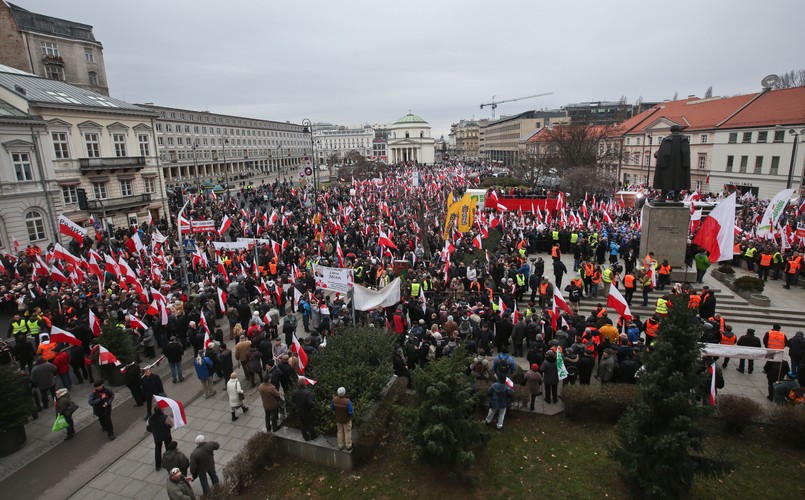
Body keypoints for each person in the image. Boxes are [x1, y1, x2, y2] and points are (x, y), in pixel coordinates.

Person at [147, 406, 173, 471]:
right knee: (168, 448)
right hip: (166, 435)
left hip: (157, 437)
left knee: (158, 449)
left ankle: (158, 465)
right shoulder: (165, 417)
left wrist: (154, 431)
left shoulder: (150, 419)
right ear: (161, 411)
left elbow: (148, 428)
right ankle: (168, 462)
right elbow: (171, 425)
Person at [330, 386, 354, 451]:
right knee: (347, 432)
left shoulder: (334, 400)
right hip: (346, 420)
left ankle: (340, 446)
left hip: (338, 420)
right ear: (344, 393)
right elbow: (351, 412)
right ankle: (348, 446)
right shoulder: (347, 401)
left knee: (340, 432)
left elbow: (331, 409)